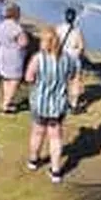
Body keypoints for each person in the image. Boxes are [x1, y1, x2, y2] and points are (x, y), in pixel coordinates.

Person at [25, 26, 80, 183]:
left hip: (40, 103)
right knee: (55, 137)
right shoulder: (67, 59)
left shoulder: (38, 58)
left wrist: (38, 82)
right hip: (58, 104)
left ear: (44, 42)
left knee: (37, 132)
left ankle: (33, 160)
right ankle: (56, 171)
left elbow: (28, 77)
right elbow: (73, 76)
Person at [0, 2, 28, 112]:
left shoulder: (2, 24)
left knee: (6, 78)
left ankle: (6, 100)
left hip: (2, 52)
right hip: (14, 54)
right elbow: (24, 42)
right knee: (15, 79)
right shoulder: (16, 27)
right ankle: (6, 103)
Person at [55, 6, 85, 112]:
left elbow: (55, 43)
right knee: (75, 81)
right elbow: (81, 47)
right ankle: (73, 104)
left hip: (62, 57)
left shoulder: (58, 28)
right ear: (75, 18)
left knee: (61, 80)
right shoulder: (77, 31)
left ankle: (59, 101)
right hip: (74, 57)